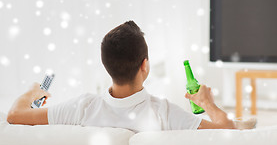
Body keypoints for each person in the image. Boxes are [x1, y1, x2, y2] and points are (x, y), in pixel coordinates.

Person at [7, 21, 256, 132]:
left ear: (106, 66)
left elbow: (15, 116)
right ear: (144, 65)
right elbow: (227, 132)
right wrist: (207, 104)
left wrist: (33, 92)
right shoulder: (165, 114)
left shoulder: (81, 107)